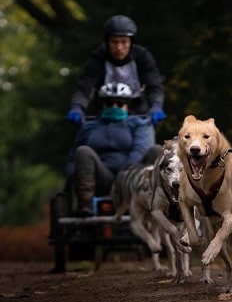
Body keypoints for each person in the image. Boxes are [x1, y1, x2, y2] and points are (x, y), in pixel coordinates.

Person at [66, 82, 162, 216]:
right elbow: (72, 157)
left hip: (134, 178)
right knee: (83, 151)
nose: (114, 107)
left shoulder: (140, 125)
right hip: (102, 178)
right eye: (109, 104)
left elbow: (140, 150)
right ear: (102, 105)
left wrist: (125, 177)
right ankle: (85, 206)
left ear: (127, 106)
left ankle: (155, 203)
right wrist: (74, 175)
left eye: (119, 104)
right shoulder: (88, 127)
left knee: (156, 150)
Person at [67, 15, 166, 126]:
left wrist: (156, 105)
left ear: (131, 43)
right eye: (114, 42)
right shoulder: (98, 57)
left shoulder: (142, 56)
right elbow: (85, 85)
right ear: (107, 42)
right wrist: (77, 106)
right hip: (106, 111)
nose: (119, 47)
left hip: (138, 111)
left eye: (124, 42)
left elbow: (154, 84)